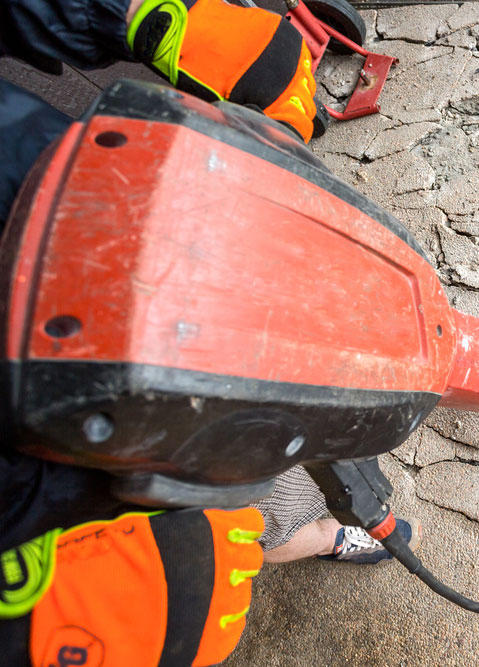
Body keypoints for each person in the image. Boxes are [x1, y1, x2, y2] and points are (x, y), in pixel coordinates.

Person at [0, 0, 418, 663]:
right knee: (234, 521)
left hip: (71, 199)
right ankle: (321, 536)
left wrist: (141, 15)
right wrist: (28, 616)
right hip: (49, 452)